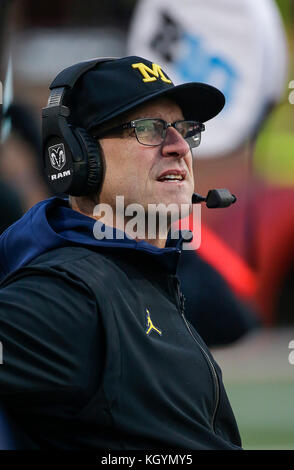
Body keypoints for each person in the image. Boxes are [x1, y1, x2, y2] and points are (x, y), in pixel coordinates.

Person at [0, 56, 242, 450]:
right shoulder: (70, 297)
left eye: (184, 129)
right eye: (149, 129)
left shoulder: (144, 273)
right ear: (77, 159)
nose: (180, 146)